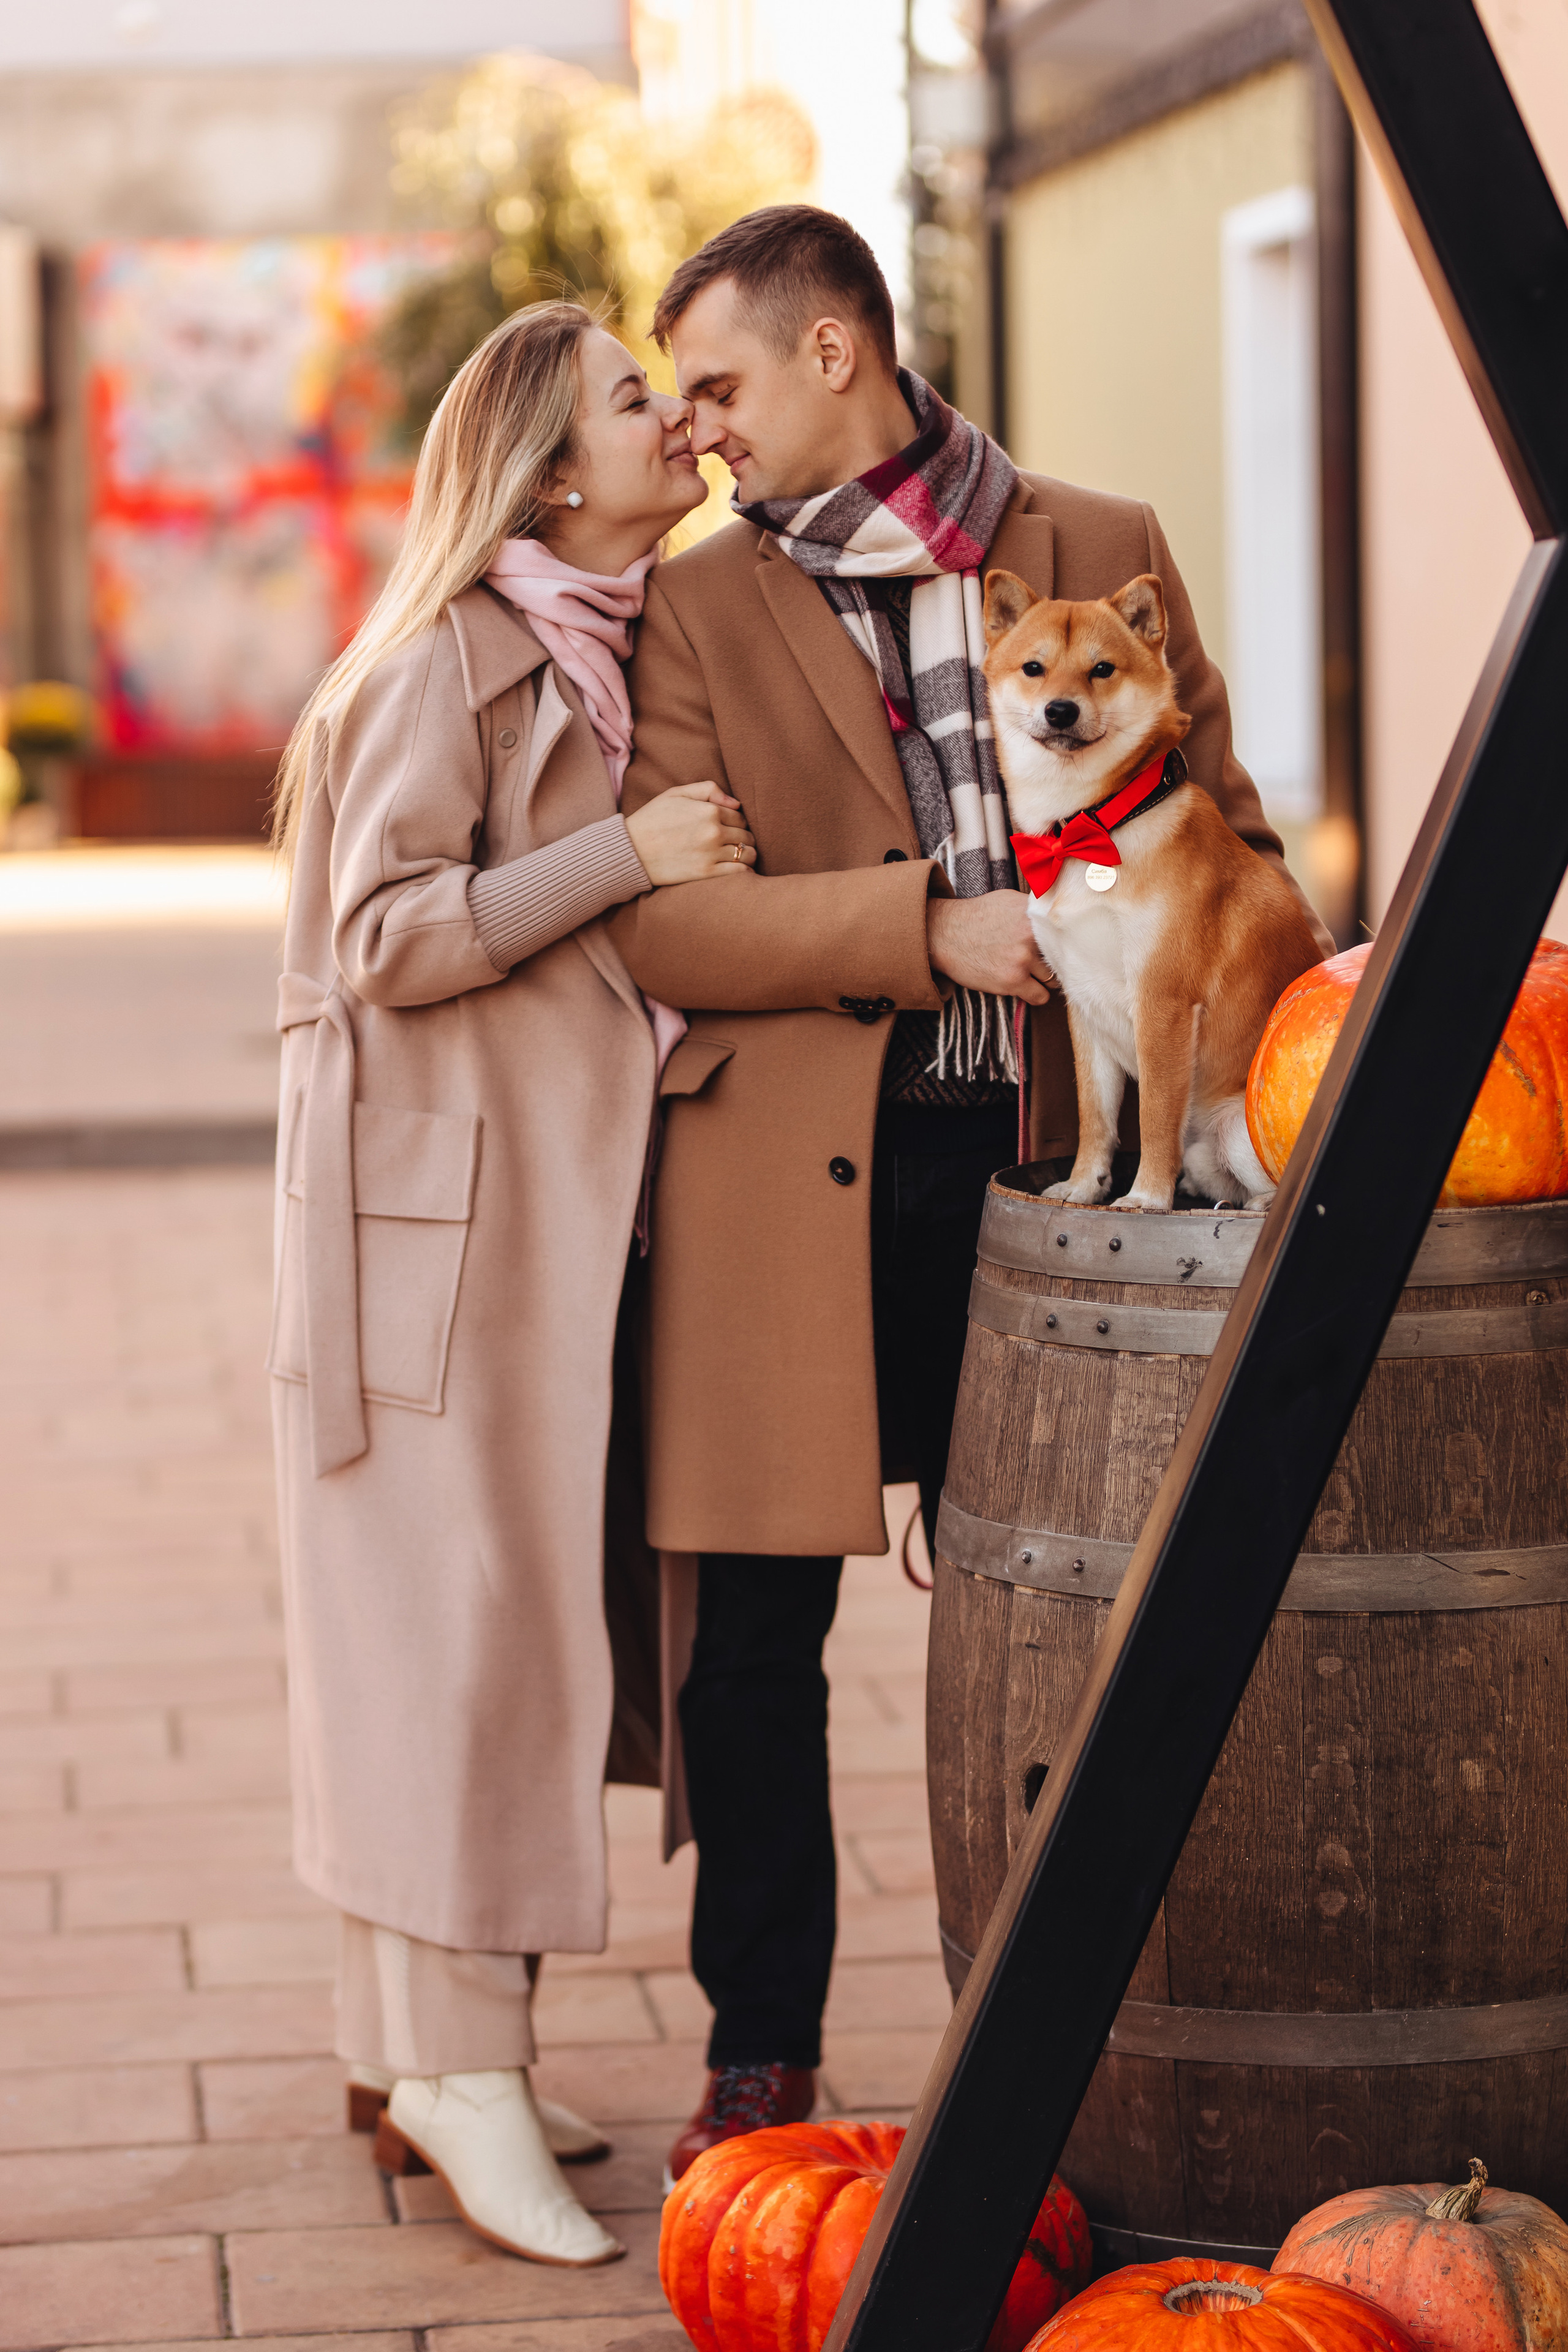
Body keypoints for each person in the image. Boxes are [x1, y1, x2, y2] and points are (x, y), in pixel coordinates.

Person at [607, 205, 1333, 2181]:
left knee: (1071, 1618)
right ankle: (762, 2050)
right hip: (794, 1179)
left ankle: (1068, 2046)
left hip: (1058, 1169)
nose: (705, 436)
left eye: (726, 387)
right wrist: (939, 931)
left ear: (837, 353)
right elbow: (675, 922)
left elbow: (1233, 837)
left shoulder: (1101, 541)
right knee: (748, 1645)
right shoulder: (701, 606)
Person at [268, 300, 755, 2265]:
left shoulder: (600, 643)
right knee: (457, 1647)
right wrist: (623, 857)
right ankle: (458, 2079)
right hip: (431, 1233)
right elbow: (387, 934)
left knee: (473, 1639)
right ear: (554, 465)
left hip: (520, 1218)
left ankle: (416, 2053)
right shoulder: (448, 656)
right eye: (644, 400)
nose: (679, 419)